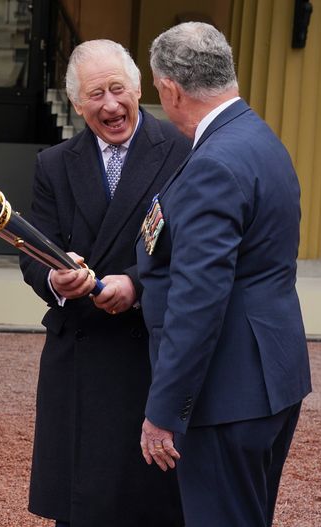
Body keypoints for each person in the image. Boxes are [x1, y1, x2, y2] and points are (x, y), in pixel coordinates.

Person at [137, 22, 312, 527]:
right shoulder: (259, 137)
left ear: (169, 90)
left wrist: (164, 411)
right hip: (271, 377)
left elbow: (199, 299)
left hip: (226, 393)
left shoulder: (214, 160)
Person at [20, 39, 191, 527]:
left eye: (118, 89)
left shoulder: (181, 151)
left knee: (148, 505)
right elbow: (35, 252)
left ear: (138, 89)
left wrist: (137, 284)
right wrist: (55, 275)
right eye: (96, 95)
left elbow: (192, 251)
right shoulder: (54, 163)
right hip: (78, 357)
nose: (111, 105)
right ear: (77, 104)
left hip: (148, 353)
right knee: (83, 508)